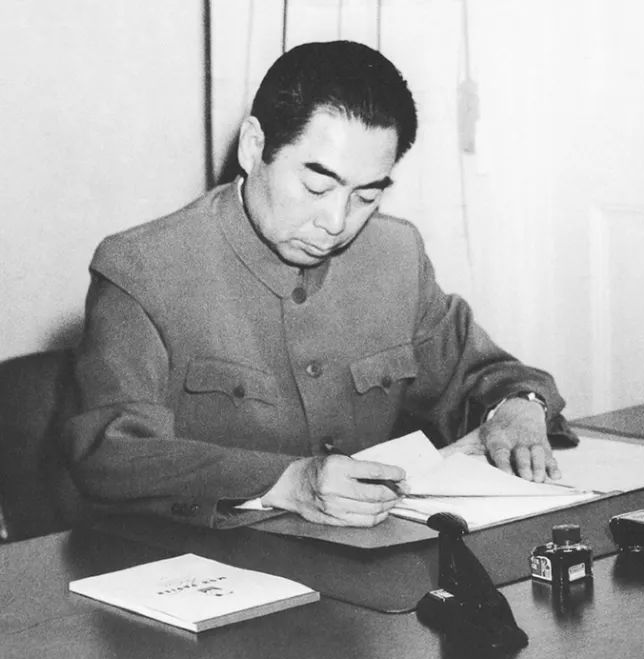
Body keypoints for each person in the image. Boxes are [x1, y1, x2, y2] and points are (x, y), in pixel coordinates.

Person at [66, 40, 576, 530]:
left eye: (366, 196)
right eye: (316, 186)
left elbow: (481, 374)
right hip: (199, 561)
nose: (336, 222)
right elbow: (112, 454)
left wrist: (518, 407)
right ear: (254, 146)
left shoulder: (396, 254)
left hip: (364, 556)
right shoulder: (144, 269)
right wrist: (284, 481)